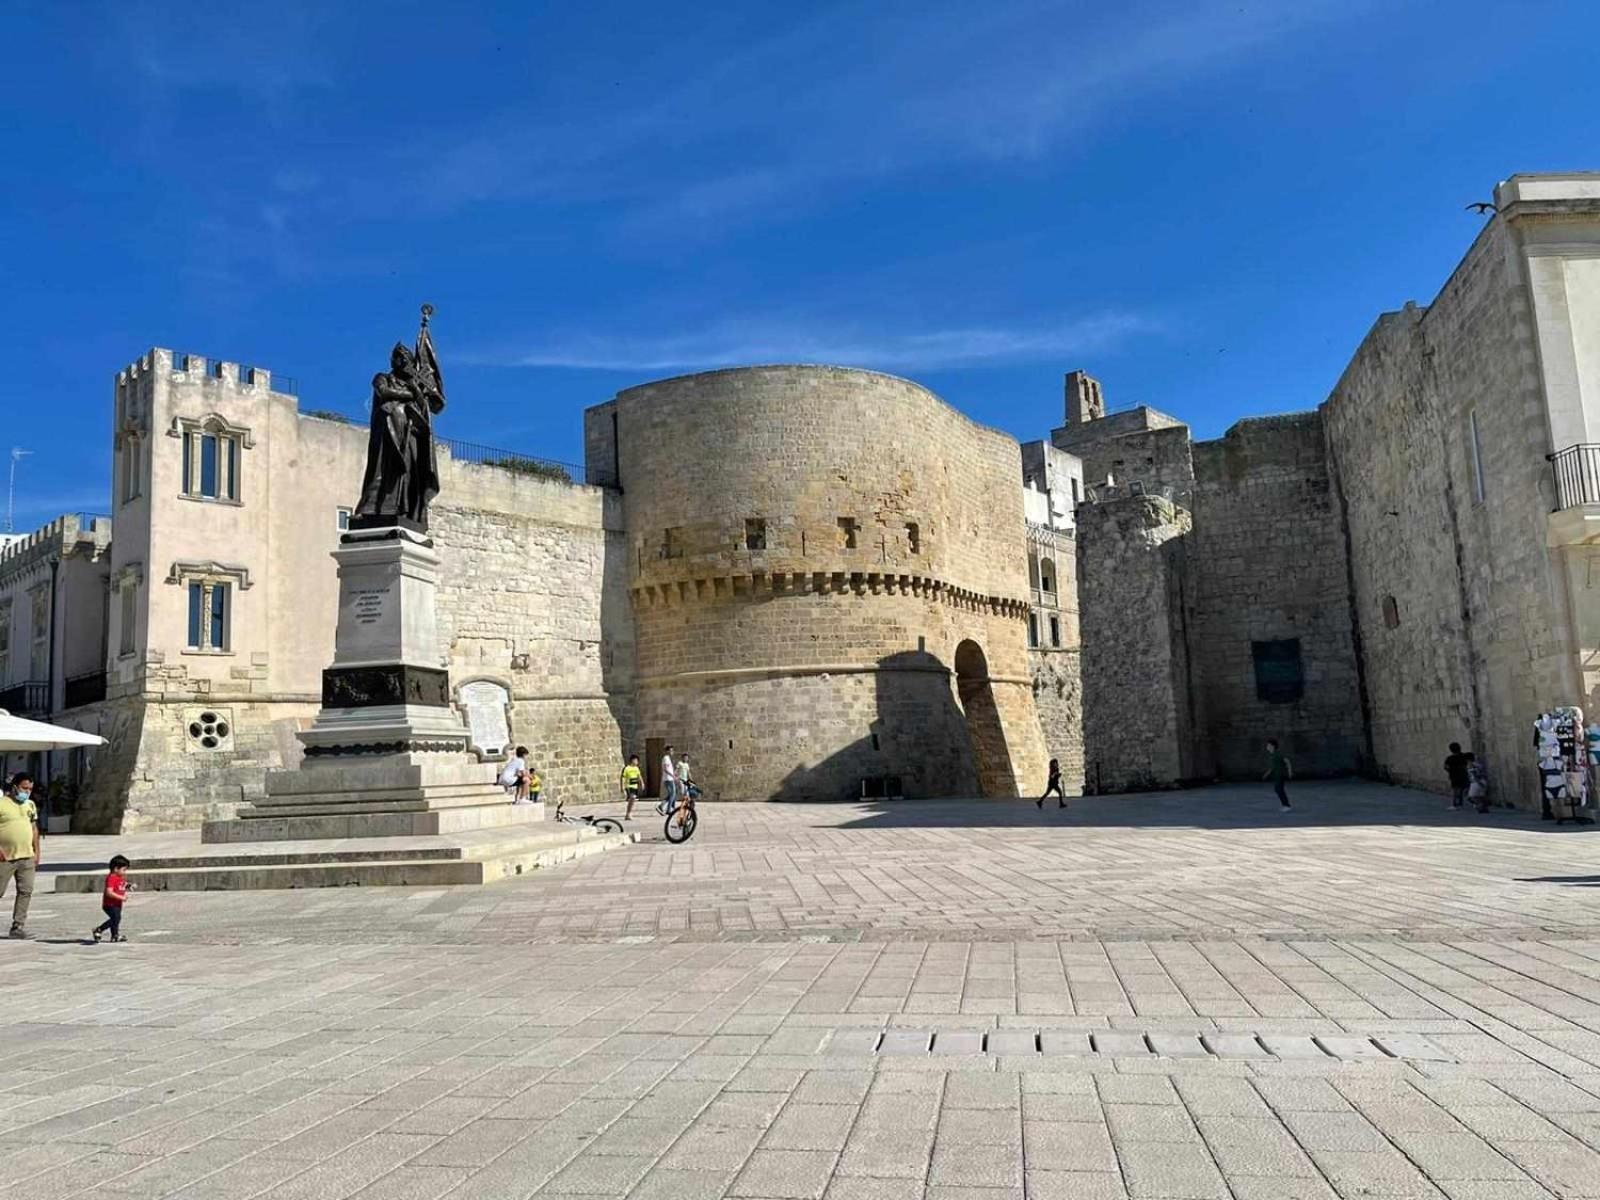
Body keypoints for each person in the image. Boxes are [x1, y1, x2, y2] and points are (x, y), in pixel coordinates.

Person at [0, 773, 40, 940]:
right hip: (5, 856)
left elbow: (34, 828)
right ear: (15, 786)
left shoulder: (30, 805)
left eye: (30, 789)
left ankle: (18, 926)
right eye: (24, 788)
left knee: (25, 891)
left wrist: (37, 850)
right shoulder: (2, 804)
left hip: (27, 856)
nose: (27, 792)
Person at [93, 855, 132, 943]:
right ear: (116, 869)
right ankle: (99, 929)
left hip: (117, 904)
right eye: (123, 870)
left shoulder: (119, 878)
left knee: (116, 919)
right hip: (110, 904)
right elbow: (109, 892)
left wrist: (128, 886)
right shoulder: (111, 878)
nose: (125, 872)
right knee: (116, 918)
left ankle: (115, 935)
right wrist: (121, 897)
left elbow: (121, 885)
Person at [1263, 740, 1292, 811]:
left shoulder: (1278, 754)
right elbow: (1273, 767)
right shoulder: (1272, 755)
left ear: (1272, 746)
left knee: (1279, 789)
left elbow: (1287, 761)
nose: (1267, 747)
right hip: (1277, 775)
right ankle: (1285, 805)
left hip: (1281, 775)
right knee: (1278, 789)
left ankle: (1287, 806)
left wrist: (1290, 772)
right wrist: (1267, 774)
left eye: (1268, 745)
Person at [1444, 742, 1474, 809]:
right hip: (1464, 775)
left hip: (1454, 776)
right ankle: (1466, 802)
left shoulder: (1450, 758)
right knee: (1464, 789)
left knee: (1456, 790)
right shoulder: (1464, 756)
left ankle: (1455, 804)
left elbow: (1446, 767)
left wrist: (1450, 771)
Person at [620, 754, 643, 821]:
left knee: (632, 800)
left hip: (635, 786)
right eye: (636, 760)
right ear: (632, 760)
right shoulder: (626, 768)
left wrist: (642, 783)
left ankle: (628, 813)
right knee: (632, 798)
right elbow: (622, 777)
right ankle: (628, 814)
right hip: (628, 786)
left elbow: (639, 776)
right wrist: (622, 787)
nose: (637, 762)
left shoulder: (636, 768)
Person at [659, 745, 678, 815]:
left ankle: (664, 806)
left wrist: (674, 774)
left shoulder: (668, 759)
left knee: (672, 794)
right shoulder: (666, 758)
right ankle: (668, 809)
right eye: (671, 750)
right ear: (667, 751)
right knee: (673, 794)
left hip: (669, 778)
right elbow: (665, 769)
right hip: (668, 779)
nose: (672, 752)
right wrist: (672, 776)